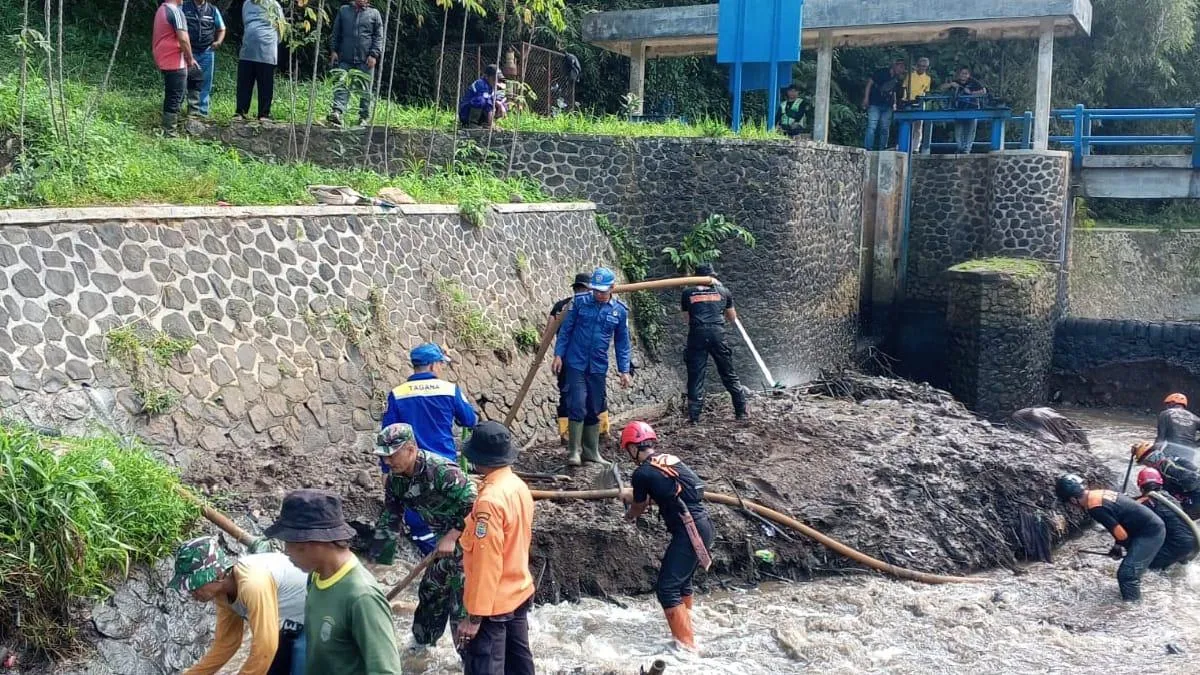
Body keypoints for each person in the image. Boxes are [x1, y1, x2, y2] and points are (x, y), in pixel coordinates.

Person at [266, 489, 402, 674]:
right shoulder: (316, 576)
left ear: (317, 542)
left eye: (292, 543)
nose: (287, 552)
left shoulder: (361, 597)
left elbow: (386, 670)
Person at [372, 423, 476, 653]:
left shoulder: (442, 471)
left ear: (410, 449)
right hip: (441, 545)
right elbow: (391, 515)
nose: (388, 462)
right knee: (430, 592)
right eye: (384, 456)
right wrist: (378, 560)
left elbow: (477, 506)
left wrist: (452, 535)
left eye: (391, 455)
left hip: (470, 542)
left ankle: (469, 659)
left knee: (463, 603)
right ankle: (420, 651)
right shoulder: (396, 480)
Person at [620, 421, 713, 650]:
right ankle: (689, 628)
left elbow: (639, 506)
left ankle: (687, 647)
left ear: (633, 448)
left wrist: (628, 515)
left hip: (689, 531)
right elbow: (676, 489)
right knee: (682, 583)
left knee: (667, 588)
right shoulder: (669, 460)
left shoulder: (642, 474)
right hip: (704, 525)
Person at [380, 342, 478, 555]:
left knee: (418, 515)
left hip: (407, 467)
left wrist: (386, 471)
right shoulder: (449, 389)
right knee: (455, 509)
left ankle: (429, 550)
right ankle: (448, 550)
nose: (442, 368)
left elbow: (388, 435)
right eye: (441, 364)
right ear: (434, 366)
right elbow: (469, 420)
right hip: (445, 463)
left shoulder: (397, 394)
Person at [454, 421, 536, 675]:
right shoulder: (518, 487)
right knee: (519, 666)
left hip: (493, 604)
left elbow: (486, 561)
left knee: (485, 667)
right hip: (518, 592)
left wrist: (474, 616)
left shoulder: (489, 501)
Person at [170, 536, 308, 675]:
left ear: (217, 575)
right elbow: (226, 644)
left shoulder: (253, 584)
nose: (191, 592)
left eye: (194, 585)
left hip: (320, 617)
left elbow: (265, 647)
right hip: (295, 622)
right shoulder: (224, 593)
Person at [553, 267, 633, 466]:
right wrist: (558, 355)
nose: (598, 294)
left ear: (612, 288)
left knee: (593, 407)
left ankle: (591, 451)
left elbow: (623, 342)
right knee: (577, 403)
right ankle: (574, 451)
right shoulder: (579, 303)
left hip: (598, 366)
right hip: (576, 363)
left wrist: (624, 370)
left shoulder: (619, 311)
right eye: (595, 290)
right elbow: (566, 330)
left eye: (602, 291)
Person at [1055, 473, 1164, 601]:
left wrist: (1119, 547)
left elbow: (1122, 535)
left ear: (1073, 500)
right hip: (1146, 527)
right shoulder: (1097, 494)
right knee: (1134, 565)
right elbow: (1120, 529)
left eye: (1069, 503)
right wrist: (1119, 546)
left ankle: (1133, 608)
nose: (1071, 507)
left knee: (1127, 575)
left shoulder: (1095, 508)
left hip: (1150, 533)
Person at [680, 262, 747, 424]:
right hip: (718, 334)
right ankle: (741, 412)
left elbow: (686, 319)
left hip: (697, 334)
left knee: (696, 376)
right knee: (728, 373)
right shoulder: (724, 292)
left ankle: (694, 418)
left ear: (697, 278)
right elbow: (732, 317)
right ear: (712, 276)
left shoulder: (687, 293)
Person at [550, 272, 600, 443]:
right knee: (593, 395)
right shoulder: (592, 306)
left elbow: (549, 332)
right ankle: (598, 434)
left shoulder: (561, 306)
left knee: (568, 396)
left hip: (565, 359)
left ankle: (568, 436)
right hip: (582, 360)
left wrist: (556, 355)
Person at [328, 0, 384, 127]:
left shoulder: (374, 14)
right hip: (345, 57)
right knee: (342, 84)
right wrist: (334, 50)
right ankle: (337, 112)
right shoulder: (344, 11)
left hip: (365, 59)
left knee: (365, 89)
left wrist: (374, 55)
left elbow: (378, 37)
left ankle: (364, 117)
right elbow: (336, 33)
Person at [1136, 468, 1199, 571]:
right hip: (1192, 542)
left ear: (1141, 487)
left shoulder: (1147, 503)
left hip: (1178, 544)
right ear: (1160, 483)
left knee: (1146, 566)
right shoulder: (1169, 498)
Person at [152, 0, 198, 135]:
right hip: (174, 60)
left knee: (194, 76)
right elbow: (183, 38)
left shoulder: (162, 9)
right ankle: (170, 131)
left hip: (164, 58)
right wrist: (190, 59)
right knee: (175, 95)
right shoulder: (175, 11)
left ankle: (191, 116)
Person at [237, 0, 284, 121]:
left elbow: (281, 28)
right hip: (248, 49)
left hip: (267, 50)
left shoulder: (274, 5)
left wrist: (272, 42)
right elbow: (245, 23)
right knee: (244, 83)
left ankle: (264, 114)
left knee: (265, 84)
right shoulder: (247, 4)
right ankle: (240, 112)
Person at [181, 0, 225, 118]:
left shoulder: (213, 10)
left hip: (207, 52)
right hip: (187, 52)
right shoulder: (184, 7)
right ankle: (178, 110)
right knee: (182, 81)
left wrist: (218, 42)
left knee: (205, 83)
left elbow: (221, 29)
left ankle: (202, 112)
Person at [1132, 441, 1200, 518]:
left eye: (1146, 463)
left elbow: (1194, 481)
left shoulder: (1168, 468)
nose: (1147, 466)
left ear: (1151, 459)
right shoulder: (1163, 467)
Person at [939, 66, 987, 153]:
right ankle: (960, 147)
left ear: (969, 75)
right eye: (962, 73)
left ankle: (967, 149)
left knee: (970, 130)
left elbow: (983, 91)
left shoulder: (973, 82)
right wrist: (950, 85)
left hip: (972, 108)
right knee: (959, 129)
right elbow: (941, 88)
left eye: (966, 73)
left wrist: (971, 93)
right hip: (959, 109)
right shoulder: (956, 81)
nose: (964, 75)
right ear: (959, 74)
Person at [861, 59, 906, 150]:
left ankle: (883, 148)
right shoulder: (881, 72)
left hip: (888, 105)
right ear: (894, 65)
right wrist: (866, 98)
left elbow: (895, 93)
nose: (901, 69)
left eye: (903, 68)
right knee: (871, 126)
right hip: (875, 103)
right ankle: (868, 148)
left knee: (885, 128)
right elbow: (869, 83)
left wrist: (895, 104)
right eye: (900, 67)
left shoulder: (898, 79)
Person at [902, 57, 932, 153]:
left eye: (924, 67)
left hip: (920, 102)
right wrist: (904, 99)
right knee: (908, 124)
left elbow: (926, 91)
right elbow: (904, 88)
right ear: (917, 66)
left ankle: (915, 148)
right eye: (920, 66)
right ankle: (906, 146)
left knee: (918, 127)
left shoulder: (927, 78)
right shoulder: (910, 75)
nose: (922, 68)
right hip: (909, 101)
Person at [459, 64, 505, 128]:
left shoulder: (491, 86)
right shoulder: (481, 84)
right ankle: (472, 123)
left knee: (501, 103)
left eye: (498, 79)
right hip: (466, 113)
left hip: (480, 113)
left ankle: (484, 123)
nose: (496, 81)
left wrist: (500, 105)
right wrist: (491, 124)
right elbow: (488, 105)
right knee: (481, 100)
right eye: (494, 78)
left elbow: (493, 101)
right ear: (486, 77)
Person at [1156, 393, 1199, 458]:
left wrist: (1154, 454)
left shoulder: (1165, 414)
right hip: (1189, 453)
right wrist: (1195, 445)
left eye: (1167, 404)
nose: (1166, 407)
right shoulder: (1195, 418)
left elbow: (1160, 439)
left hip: (1171, 452)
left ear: (1172, 403)